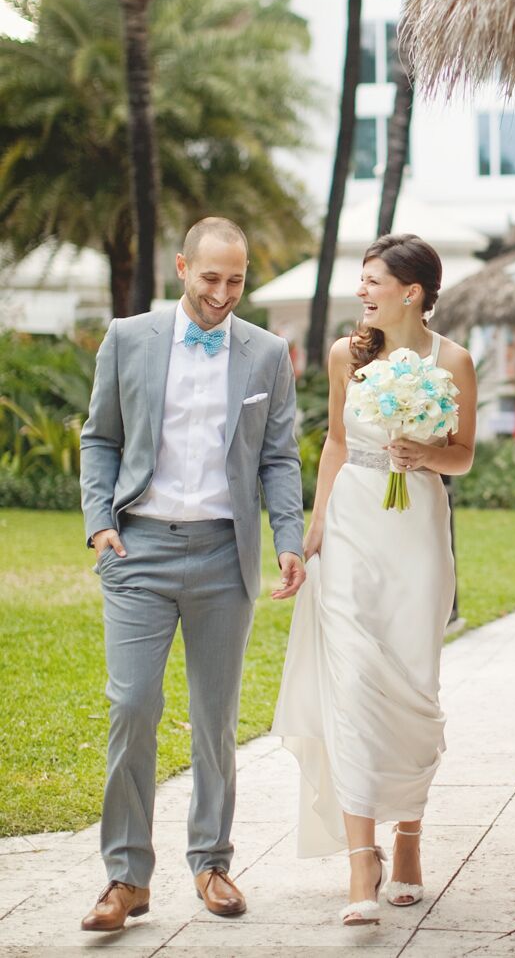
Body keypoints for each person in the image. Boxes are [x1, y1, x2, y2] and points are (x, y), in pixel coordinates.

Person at [78, 217, 306, 932]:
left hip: (220, 555)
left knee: (214, 720)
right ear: (182, 267)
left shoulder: (267, 353)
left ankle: (211, 863)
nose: (223, 294)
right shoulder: (129, 338)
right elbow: (100, 437)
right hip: (137, 551)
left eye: (236, 281)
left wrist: (287, 537)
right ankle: (125, 879)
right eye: (211, 278)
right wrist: (99, 520)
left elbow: (279, 456)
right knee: (132, 708)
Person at [272, 233, 477, 927]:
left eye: (372, 281)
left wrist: (424, 451)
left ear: (411, 290)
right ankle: (361, 860)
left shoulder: (452, 361)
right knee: (353, 681)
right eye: (361, 281)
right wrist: (316, 525)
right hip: (354, 524)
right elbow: (335, 441)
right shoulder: (344, 355)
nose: (361, 292)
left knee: (416, 684)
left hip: (418, 533)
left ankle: (409, 836)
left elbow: (464, 458)